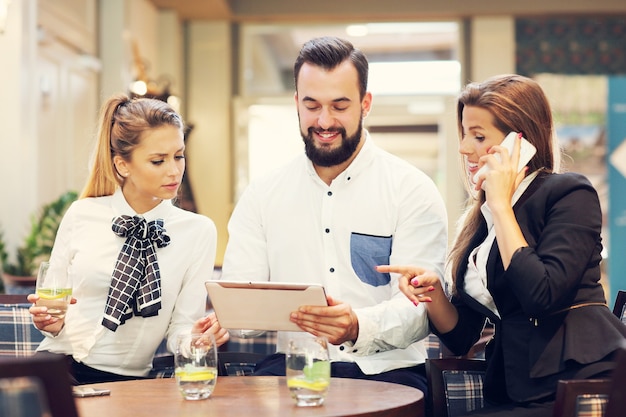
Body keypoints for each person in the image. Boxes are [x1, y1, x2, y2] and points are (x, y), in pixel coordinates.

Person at [377, 74, 626, 416]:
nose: (465, 148)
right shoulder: (483, 221)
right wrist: (434, 292)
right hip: (515, 385)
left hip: (575, 381)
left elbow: (542, 295)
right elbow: (462, 336)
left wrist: (500, 205)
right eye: (465, 134)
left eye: (479, 136)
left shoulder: (569, 194)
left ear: (518, 143)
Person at [219, 36, 448, 393]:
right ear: (296, 103)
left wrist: (357, 325)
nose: (324, 121)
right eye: (312, 106)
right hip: (291, 369)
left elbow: (419, 310)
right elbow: (242, 311)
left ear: (365, 104)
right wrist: (230, 316)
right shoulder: (263, 194)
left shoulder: (411, 190)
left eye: (339, 106)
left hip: (387, 371)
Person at [27, 94, 229, 384]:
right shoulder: (82, 214)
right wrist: (50, 323)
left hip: (126, 382)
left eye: (179, 155)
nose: (174, 170)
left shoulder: (199, 232)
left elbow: (181, 329)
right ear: (122, 165)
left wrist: (196, 339)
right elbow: (52, 306)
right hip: (57, 366)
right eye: (158, 160)